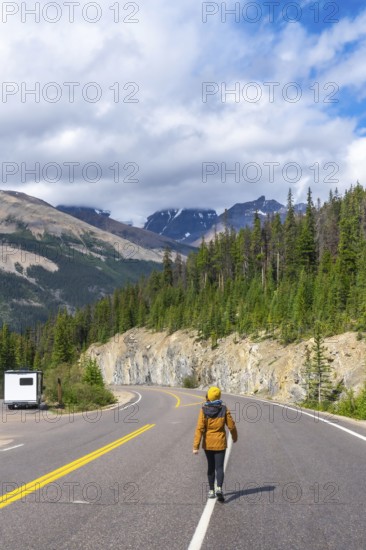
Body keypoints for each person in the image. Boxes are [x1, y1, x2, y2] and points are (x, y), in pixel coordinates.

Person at [193, 386, 237, 502]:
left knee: (211, 467)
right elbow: (231, 425)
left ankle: (211, 491)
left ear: (208, 396)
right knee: (219, 467)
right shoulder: (224, 409)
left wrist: (195, 446)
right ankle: (219, 488)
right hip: (220, 443)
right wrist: (234, 437)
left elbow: (199, 429)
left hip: (208, 444)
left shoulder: (203, 410)